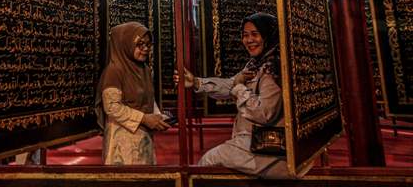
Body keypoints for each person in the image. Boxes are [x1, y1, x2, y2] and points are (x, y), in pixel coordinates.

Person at [175, 12, 293, 178]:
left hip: (268, 150)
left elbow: (264, 113)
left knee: (206, 164)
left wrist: (239, 88)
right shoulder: (257, 63)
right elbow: (231, 84)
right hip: (252, 142)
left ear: (268, 36)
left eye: (255, 34)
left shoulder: (272, 69)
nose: (249, 40)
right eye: (245, 35)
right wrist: (196, 82)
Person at [95, 22, 170, 165]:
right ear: (126, 44)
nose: (145, 49)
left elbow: (148, 98)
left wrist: (158, 117)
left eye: (148, 44)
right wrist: (144, 119)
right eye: (140, 44)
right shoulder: (115, 70)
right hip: (122, 142)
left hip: (143, 137)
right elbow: (112, 107)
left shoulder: (144, 69)